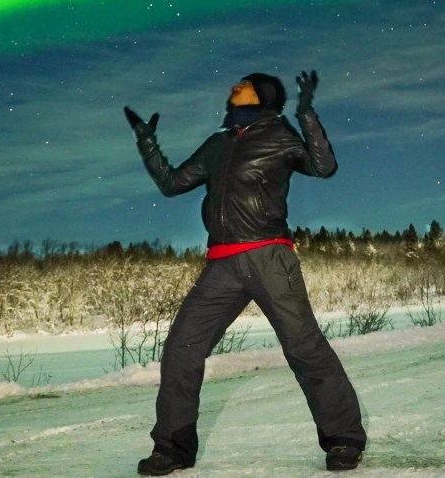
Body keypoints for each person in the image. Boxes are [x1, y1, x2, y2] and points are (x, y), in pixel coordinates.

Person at [123, 71, 367, 474]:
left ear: (264, 95)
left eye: (244, 83)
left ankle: (343, 439)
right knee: (182, 349)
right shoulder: (219, 143)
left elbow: (323, 166)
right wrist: (147, 142)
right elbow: (172, 183)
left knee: (304, 348)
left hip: (269, 256)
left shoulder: (278, 134)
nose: (234, 86)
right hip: (221, 263)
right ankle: (172, 448)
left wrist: (306, 114)